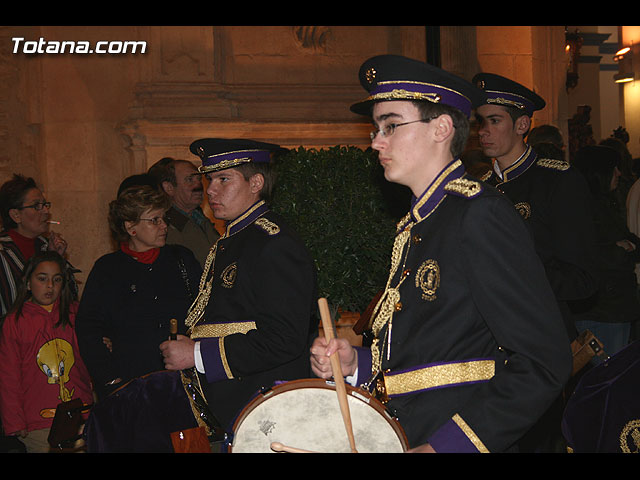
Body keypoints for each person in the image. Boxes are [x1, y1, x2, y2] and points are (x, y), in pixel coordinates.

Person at [310, 54, 571, 453]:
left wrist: (446, 447)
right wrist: (356, 365)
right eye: (376, 129)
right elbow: (436, 349)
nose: (376, 141)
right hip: (410, 429)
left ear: (441, 128)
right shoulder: (421, 220)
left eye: (391, 125)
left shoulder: (479, 213)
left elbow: (543, 361)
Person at [159, 138, 318, 437]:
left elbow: (284, 339)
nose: (210, 190)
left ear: (256, 182)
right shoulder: (234, 239)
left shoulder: (274, 243)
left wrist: (196, 354)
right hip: (237, 408)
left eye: (223, 179)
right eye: (209, 179)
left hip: (265, 413)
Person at [473, 73, 598, 342]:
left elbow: (581, 279)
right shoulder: (478, 187)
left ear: (522, 125)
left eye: (494, 121)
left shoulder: (557, 181)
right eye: (480, 121)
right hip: (486, 339)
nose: (483, 130)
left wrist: (510, 278)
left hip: (540, 335)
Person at [75, 185, 202, 400]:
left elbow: (208, 308)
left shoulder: (181, 259)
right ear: (130, 227)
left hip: (184, 383)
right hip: (131, 388)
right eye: (154, 220)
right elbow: (89, 330)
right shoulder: (108, 269)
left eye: (164, 218)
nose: (164, 226)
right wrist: (111, 381)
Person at [0, 251, 93, 453]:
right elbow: (9, 376)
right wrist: (14, 421)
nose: (50, 286)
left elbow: (90, 358)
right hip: (38, 421)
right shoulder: (15, 322)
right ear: (27, 282)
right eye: (42, 279)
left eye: (56, 280)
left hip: (80, 413)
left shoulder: (76, 313)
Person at [571, 145, 640, 357]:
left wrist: (627, 247)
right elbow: (590, 254)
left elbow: (631, 242)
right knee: (608, 373)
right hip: (603, 309)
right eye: (614, 168)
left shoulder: (604, 203)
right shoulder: (584, 207)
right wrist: (621, 251)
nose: (619, 173)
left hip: (614, 306)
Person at [0, 174, 75, 321]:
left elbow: (70, 297)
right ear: (16, 215)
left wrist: (56, 259)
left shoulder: (46, 246)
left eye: (45, 204)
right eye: (36, 206)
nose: (46, 211)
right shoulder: (3, 252)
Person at [148, 157, 220, 267]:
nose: (198, 186)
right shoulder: (165, 227)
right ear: (169, 188)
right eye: (189, 180)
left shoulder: (201, 219)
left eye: (199, 179)